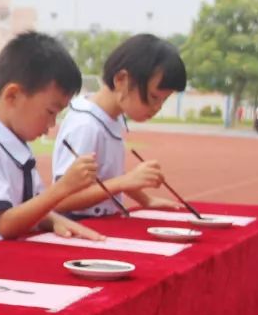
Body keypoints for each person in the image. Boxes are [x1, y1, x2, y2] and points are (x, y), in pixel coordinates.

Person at [0, 32, 104, 249]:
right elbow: (5, 224)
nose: (51, 124)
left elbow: (29, 207)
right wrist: (64, 188)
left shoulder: (17, 147)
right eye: (50, 111)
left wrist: (55, 220)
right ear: (13, 96)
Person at [53, 34, 188, 217]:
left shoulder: (110, 117)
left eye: (164, 100)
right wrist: (125, 181)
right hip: (80, 225)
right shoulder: (85, 125)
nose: (157, 108)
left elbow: (107, 175)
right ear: (121, 80)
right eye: (154, 97)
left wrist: (145, 200)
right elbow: (61, 200)